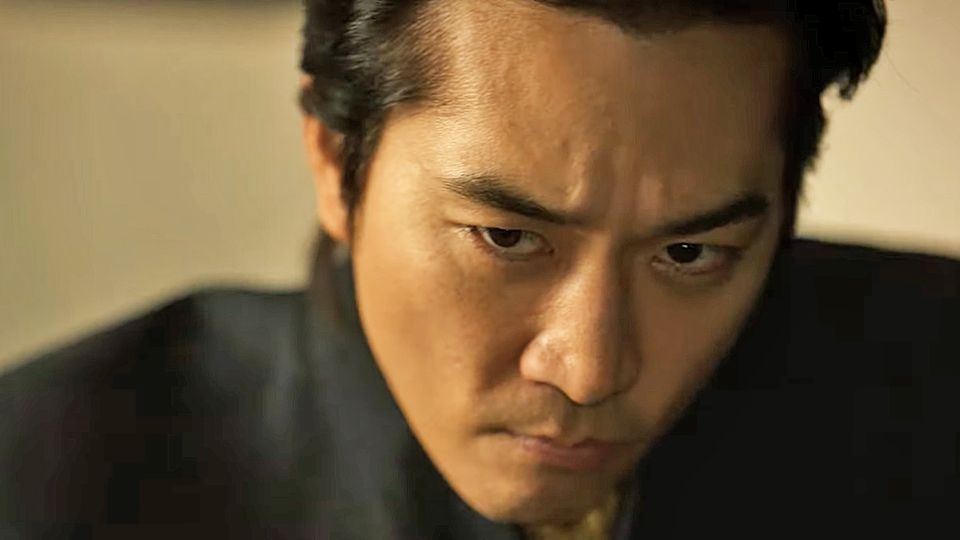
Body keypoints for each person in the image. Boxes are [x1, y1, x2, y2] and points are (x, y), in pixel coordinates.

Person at [1, 0, 957, 538]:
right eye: (505, 238)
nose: (588, 370)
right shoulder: (49, 484)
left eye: (689, 253)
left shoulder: (935, 393)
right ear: (334, 160)